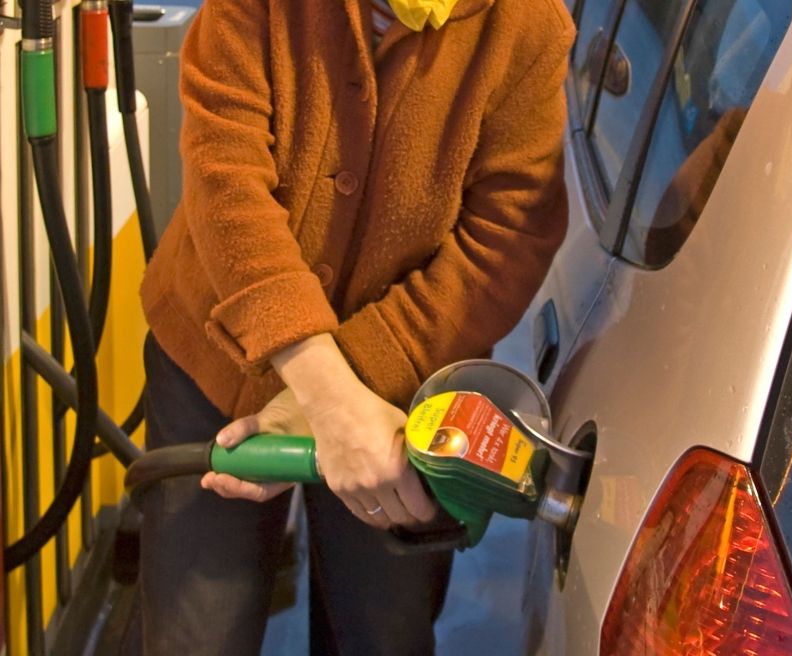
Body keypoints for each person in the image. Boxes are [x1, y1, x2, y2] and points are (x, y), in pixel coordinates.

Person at [136, 0, 574, 653]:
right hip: (216, 361)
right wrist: (324, 390)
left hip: (398, 396)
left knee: (380, 634)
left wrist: (344, 388)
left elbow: (506, 239)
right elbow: (225, 178)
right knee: (194, 633)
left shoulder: (527, 25)